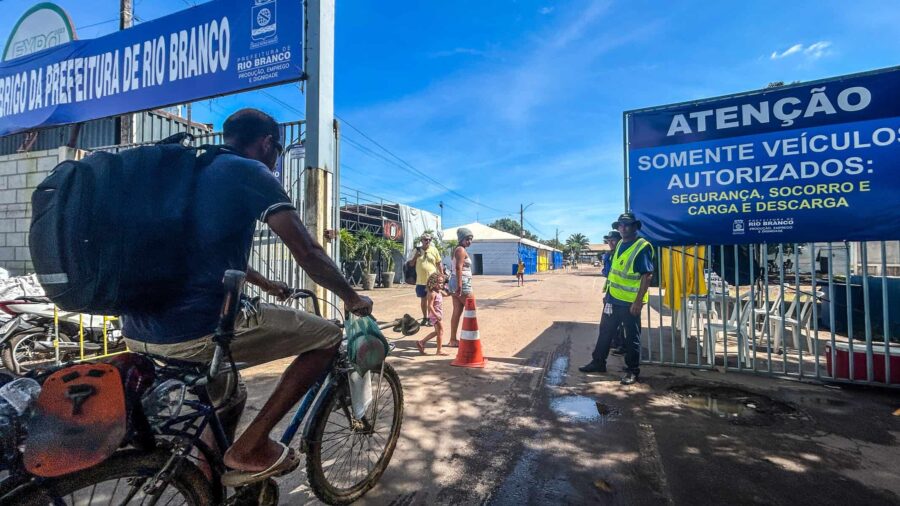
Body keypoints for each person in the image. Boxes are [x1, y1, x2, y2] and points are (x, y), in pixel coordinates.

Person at [122, 108, 373, 486]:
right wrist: (352, 297)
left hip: (138, 328)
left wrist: (268, 285)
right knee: (327, 336)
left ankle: (206, 483)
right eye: (278, 152)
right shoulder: (249, 171)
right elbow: (307, 251)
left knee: (230, 396)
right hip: (198, 329)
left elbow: (209, 253)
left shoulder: (191, 171)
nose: (276, 160)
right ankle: (251, 447)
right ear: (268, 143)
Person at [579, 212, 653, 385]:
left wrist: (638, 301)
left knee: (631, 337)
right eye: (620, 225)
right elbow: (614, 273)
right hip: (613, 299)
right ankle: (598, 362)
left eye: (627, 225)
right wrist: (608, 294)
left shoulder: (642, 246)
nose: (623, 228)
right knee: (605, 331)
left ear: (635, 227)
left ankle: (632, 371)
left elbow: (647, 275)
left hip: (630, 302)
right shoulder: (620, 244)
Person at [600, 229, 626, 355]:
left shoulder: (621, 254)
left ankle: (622, 345)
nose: (610, 243)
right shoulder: (610, 254)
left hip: (622, 295)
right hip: (611, 293)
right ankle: (616, 342)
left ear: (619, 241)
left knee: (621, 322)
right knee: (610, 320)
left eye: (613, 240)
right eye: (608, 241)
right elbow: (606, 272)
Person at [447, 227, 474, 348]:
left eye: (471, 239)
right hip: (462, 283)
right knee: (471, 309)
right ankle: (470, 340)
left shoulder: (458, 249)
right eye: (467, 239)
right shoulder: (461, 250)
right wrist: (459, 286)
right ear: (461, 239)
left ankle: (453, 339)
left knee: (457, 311)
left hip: (458, 282)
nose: (469, 241)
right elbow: (458, 267)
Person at [408, 233, 442, 327]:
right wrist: (416, 256)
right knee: (423, 300)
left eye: (429, 239)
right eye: (425, 239)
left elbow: (439, 263)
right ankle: (425, 318)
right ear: (421, 240)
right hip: (420, 280)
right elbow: (411, 264)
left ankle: (431, 319)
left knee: (431, 301)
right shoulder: (416, 250)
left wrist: (442, 274)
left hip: (432, 281)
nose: (428, 241)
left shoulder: (434, 250)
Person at [416, 272, 449, 355]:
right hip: (435, 315)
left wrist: (450, 289)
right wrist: (436, 315)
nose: (441, 284)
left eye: (442, 282)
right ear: (433, 283)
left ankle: (421, 342)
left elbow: (446, 294)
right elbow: (430, 306)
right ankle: (439, 350)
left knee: (437, 332)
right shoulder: (432, 293)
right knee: (440, 331)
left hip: (438, 314)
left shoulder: (439, 291)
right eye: (439, 283)